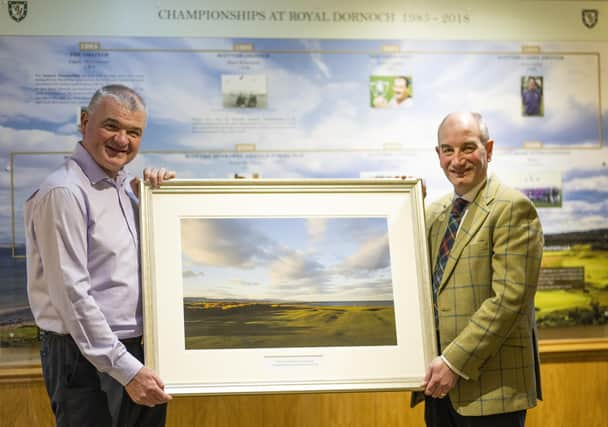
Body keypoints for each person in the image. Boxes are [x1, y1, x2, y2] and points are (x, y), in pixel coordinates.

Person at [25, 84, 175, 427]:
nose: (122, 140)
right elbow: (72, 296)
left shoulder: (127, 189)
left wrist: (158, 200)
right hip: (85, 357)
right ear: (84, 121)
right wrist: (126, 369)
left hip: (137, 350)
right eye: (111, 126)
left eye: (133, 132)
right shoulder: (64, 192)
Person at [412, 112, 544, 427]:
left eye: (468, 148)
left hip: (491, 392)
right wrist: (403, 204)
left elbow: (508, 301)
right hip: (438, 388)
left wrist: (453, 364)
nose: (457, 160)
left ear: (489, 148)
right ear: (438, 155)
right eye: (448, 150)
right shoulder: (435, 213)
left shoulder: (513, 208)